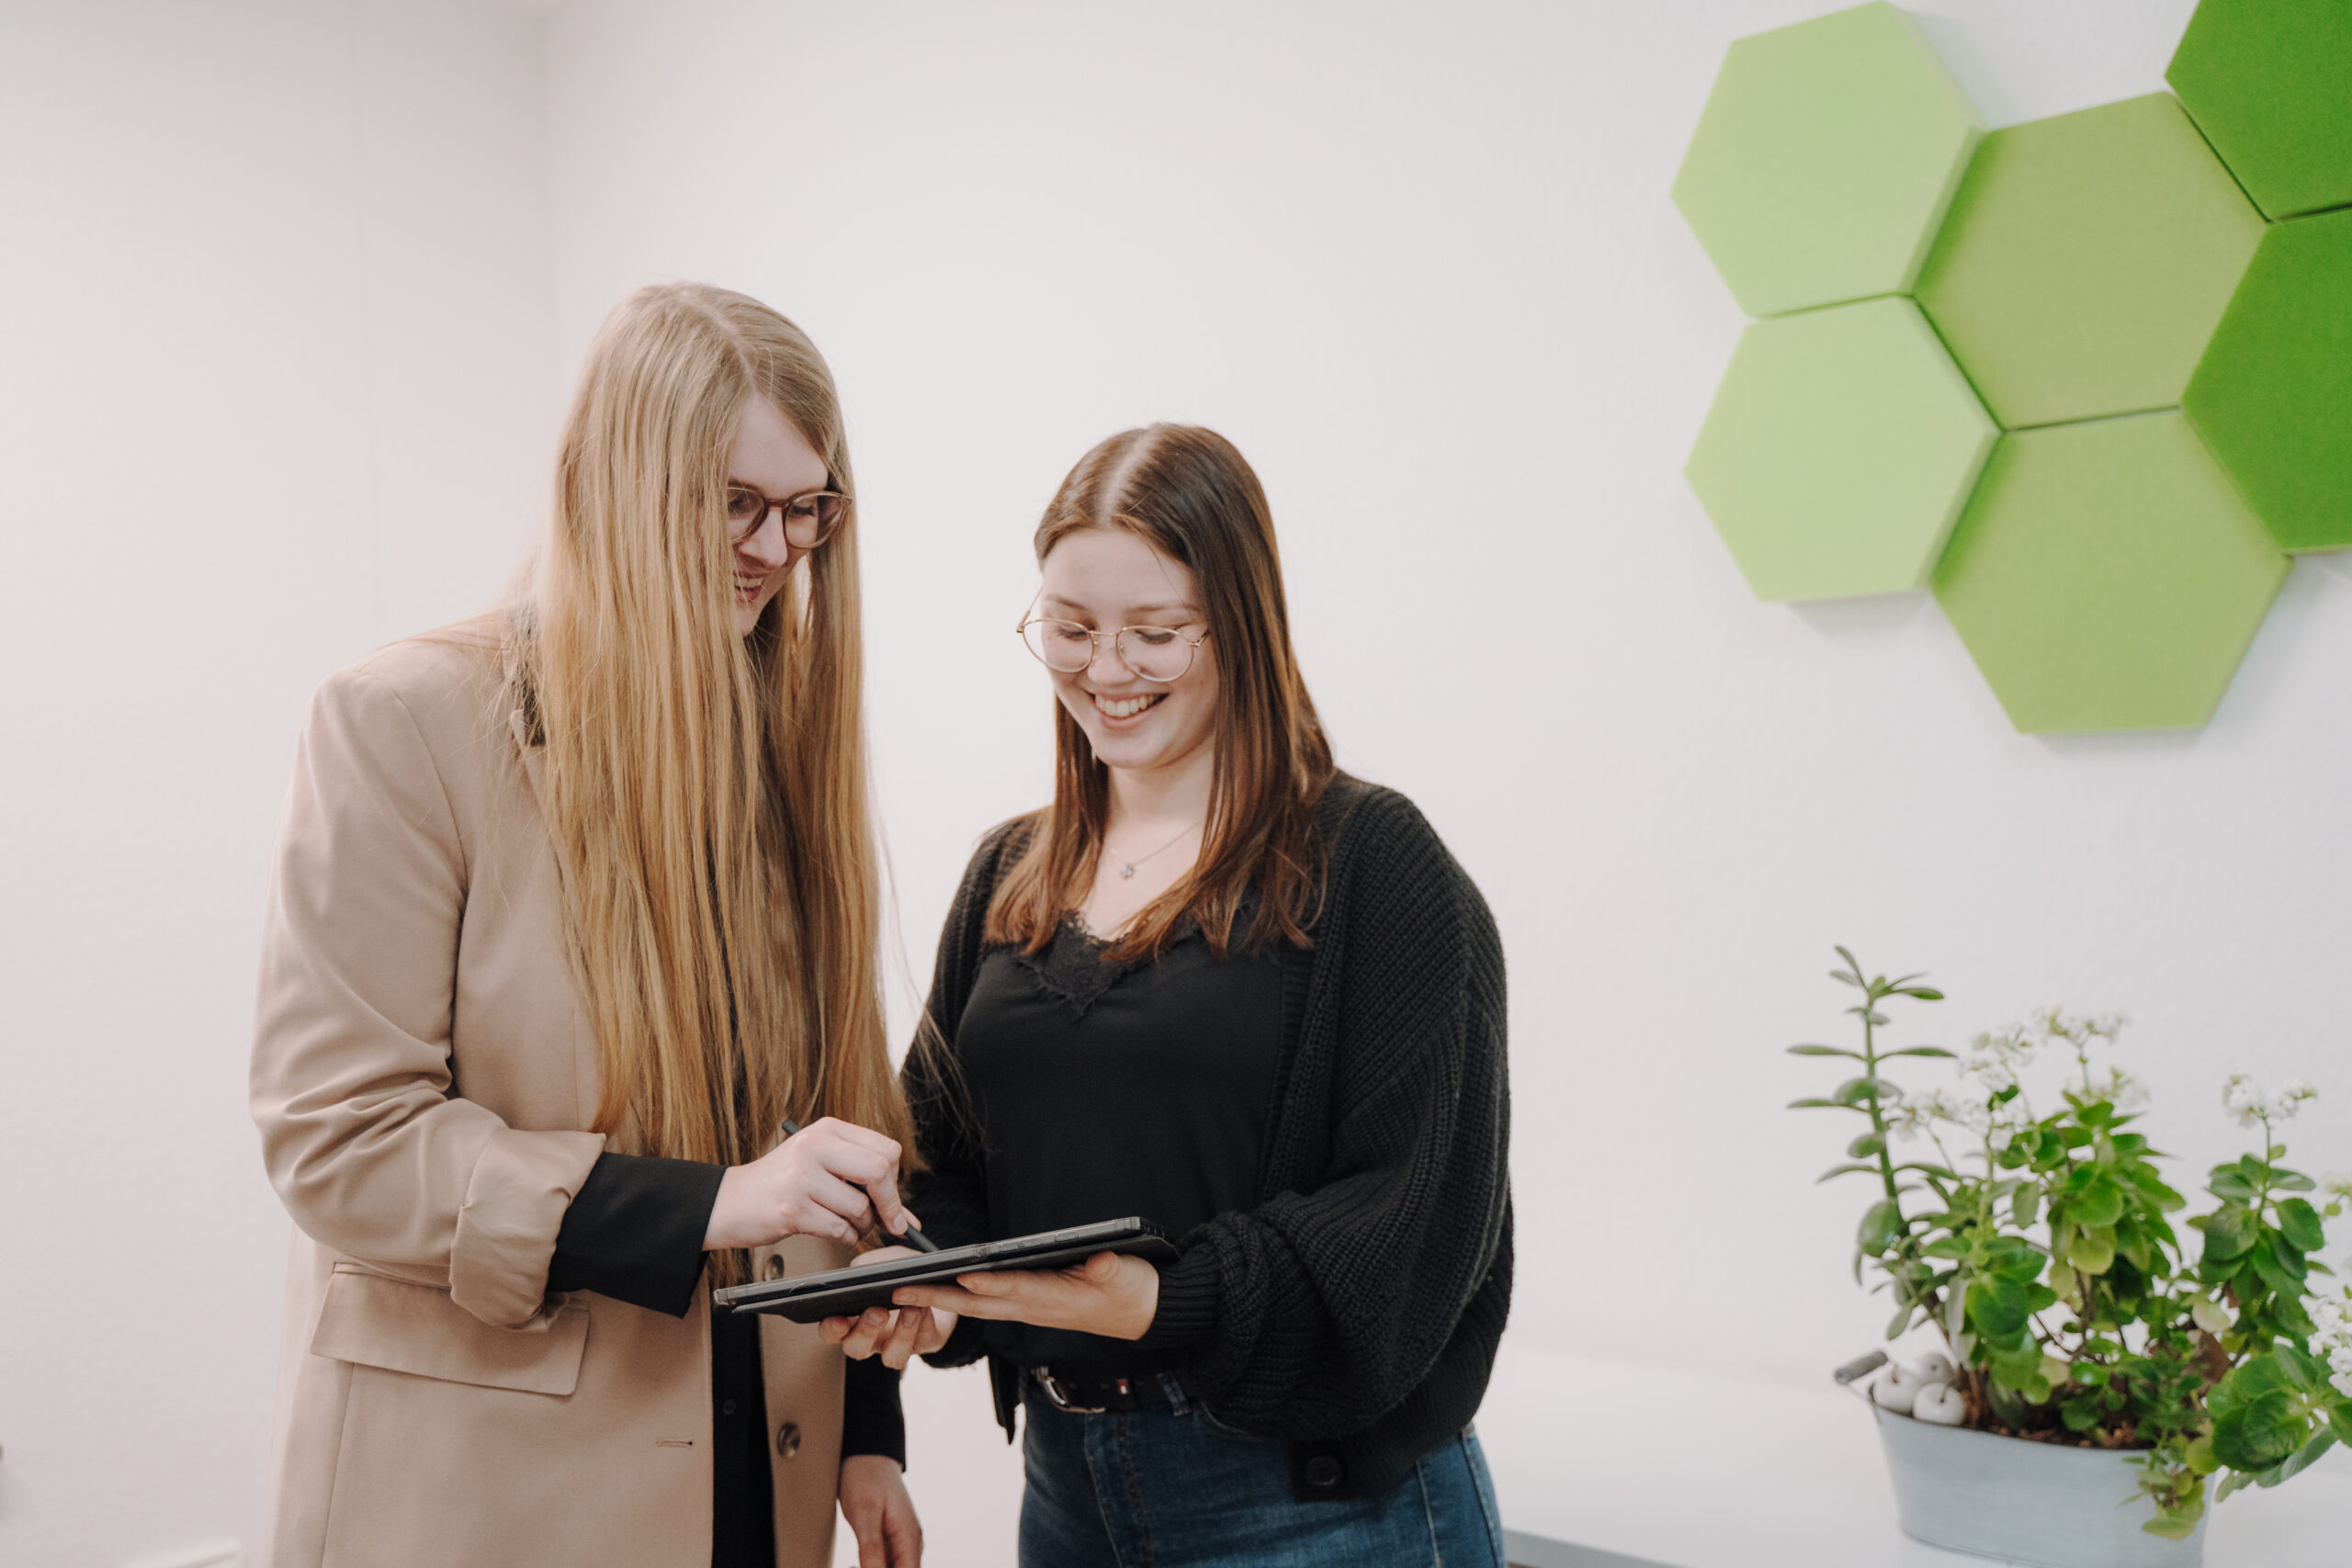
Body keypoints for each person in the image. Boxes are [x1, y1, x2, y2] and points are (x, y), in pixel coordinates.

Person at [250, 283, 927, 1568]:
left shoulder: (778, 743)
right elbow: (341, 1140)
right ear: (616, 484)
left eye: (807, 508)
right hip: (486, 1497)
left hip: (754, 1483)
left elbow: (822, 1127)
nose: (778, 550)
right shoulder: (402, 722)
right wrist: (710, 1202)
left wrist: (868, 1426)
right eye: (735, 502)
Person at [827, 424, 1512, 1566]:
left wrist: (1160, 1302)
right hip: (1069, 1484)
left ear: (1242, 627)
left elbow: (1412, 1229)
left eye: (1154, 634)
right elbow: (939, 1155)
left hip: (1310, 1501)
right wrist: (926, 1280)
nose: (1104, 671)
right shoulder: (1011, 872)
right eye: (1071, 630)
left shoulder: (1374, 866)